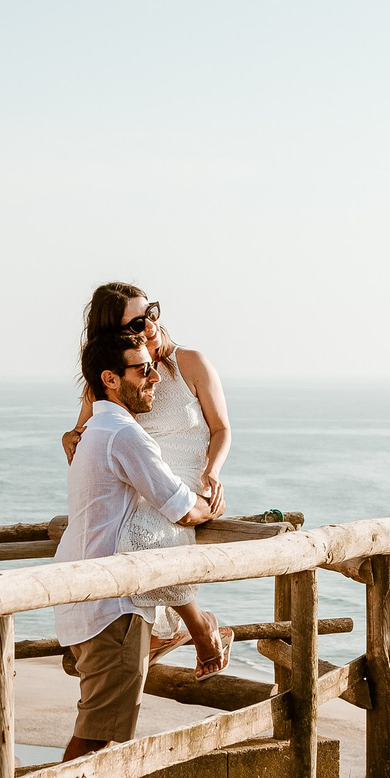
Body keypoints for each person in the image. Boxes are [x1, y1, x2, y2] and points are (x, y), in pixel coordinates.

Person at [53, 331, 217, 778]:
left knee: (100, 728)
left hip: (88, 596)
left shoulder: (98, 430)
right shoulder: (123, 434)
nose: (155, 379)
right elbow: (178, 506)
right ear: (110, 379)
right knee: (93, 733)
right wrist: (206, 503)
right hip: (112, 603)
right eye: (143, 370)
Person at [63, 284, 236, 677]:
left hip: (192, 474)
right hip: (146, 476)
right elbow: (84, 428)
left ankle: (193, 627)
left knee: (144, 533)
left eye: (152, 312)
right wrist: (68, 437)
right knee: (123, 535)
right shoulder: (118, 372)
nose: (151, 323)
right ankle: (159, 632)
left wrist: (212, 472)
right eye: (138, 321)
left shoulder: (190, 362)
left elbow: (222, 428)